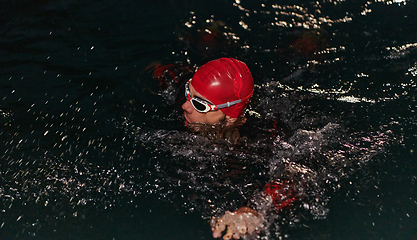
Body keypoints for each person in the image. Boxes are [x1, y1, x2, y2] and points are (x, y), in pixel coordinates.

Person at [176, 57, 299, 240]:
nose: (185, 105)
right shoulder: (184, 98)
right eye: (189, 92)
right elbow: (165, 71)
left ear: (230, 117)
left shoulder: (257, 140)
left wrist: (254, 208)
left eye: (199, 104)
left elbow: (297, 175)